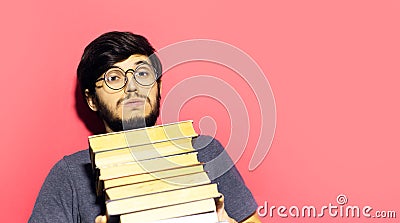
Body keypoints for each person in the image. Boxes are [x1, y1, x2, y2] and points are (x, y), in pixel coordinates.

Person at [29, 31, 261, 223]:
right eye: (114, 78)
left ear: (158, 86)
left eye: (142, 73)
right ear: (91, 99)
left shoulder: (205, 151)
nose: (133, 87)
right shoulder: (69, 175)